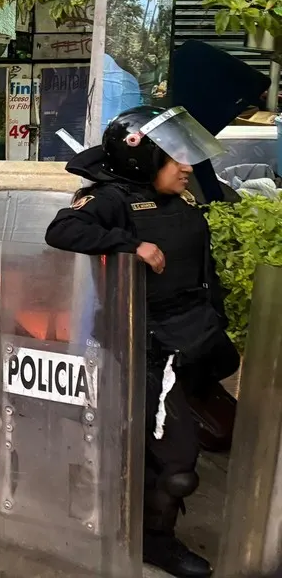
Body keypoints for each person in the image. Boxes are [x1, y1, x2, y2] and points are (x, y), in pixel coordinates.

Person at [44, 105, 238, 578]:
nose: (186, 166)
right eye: (175, 158)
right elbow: (62, 229)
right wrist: (130, 246)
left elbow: (203, 270)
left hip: (191, 339)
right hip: (145, 346)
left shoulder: (184, 200)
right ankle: (156, 542)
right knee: (177, 466)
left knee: (160, 450)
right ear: (143, 160)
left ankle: (134, 520)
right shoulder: (113, 199)